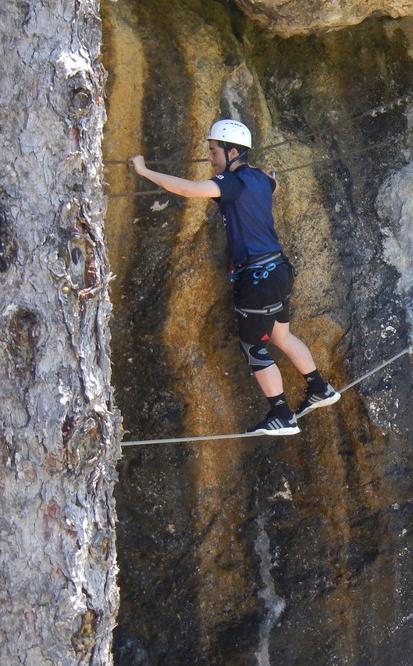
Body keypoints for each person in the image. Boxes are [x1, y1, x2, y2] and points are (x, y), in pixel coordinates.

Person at [129, 119, 339, 435]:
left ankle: (282, 415)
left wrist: (144, 171)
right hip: (279, 271)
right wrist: (266, 174)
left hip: (257, 278)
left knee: (254, 348)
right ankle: (320, 389)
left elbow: (187, 189)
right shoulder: (259, 178)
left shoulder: (232, 182)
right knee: (281, 336)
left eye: (214, 151)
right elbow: (275, 184)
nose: (210, 158)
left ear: (232, 152)